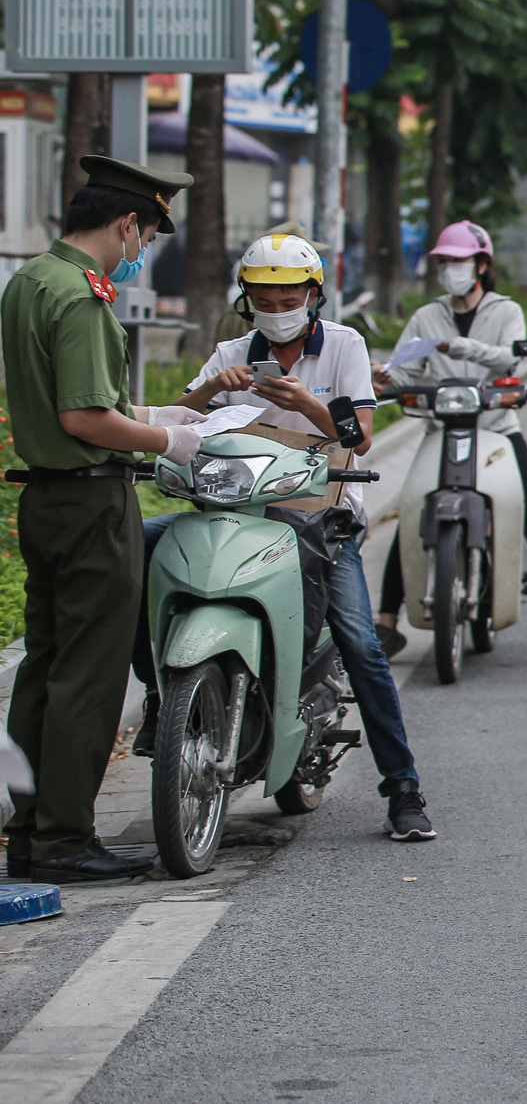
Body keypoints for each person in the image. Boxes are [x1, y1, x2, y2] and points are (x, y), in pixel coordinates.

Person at [136, 232, 438, 842]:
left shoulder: (346, 347)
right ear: (247, 299)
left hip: (320, 518)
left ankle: (402, 787)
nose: (278, 311)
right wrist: (216, 388)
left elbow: (361, 438)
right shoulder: (230, 352)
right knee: (136, 549)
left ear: (313, 295)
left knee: (359, 639)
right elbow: (176, 420)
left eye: (288, 297)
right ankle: (157, 700)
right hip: (234, 510)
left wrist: (305, 402)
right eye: (265, 300)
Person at [3, 155, 204, 884]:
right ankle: (64, 841)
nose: (138, 254)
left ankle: (28, 832)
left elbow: (60, 401)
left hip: (42, 498)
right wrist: (165, 439)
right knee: (89, 677)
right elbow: (83, 414)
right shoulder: (85, 297)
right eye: (142, 238)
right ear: (125, 224)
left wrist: (147, 413)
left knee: (45, 668)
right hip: (91, 503)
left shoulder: (30, 281)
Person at [373, 221, 527, 666]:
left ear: (481, 265)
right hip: (442, 429)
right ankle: (386, 623)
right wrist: (384, 378)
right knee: (413, 510)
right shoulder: (426, 317)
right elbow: (405, 369)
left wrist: (460, 347)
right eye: (444, 263)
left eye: (459, 261)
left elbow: (509, 356)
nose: (450, 270)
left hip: (497, 430)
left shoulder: (504, 311)